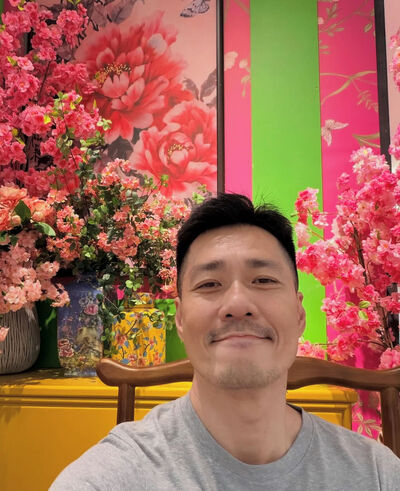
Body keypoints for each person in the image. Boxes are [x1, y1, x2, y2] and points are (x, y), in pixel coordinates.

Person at [51, 193, 400, 490]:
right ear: (180, 319)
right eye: (209, 284)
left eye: (263, 280)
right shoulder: (111, 477)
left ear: (298, 314)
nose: (237, 304)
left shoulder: (376, 473)